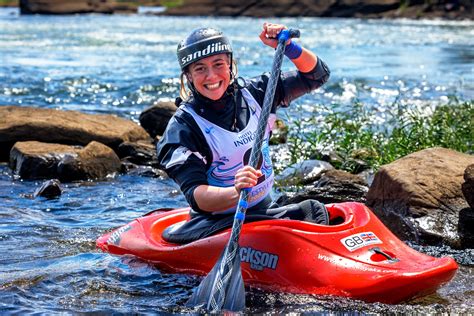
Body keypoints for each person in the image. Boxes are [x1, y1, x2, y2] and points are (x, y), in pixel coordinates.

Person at [157, 22, 331, 244]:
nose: (211, 76)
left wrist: (289, 48)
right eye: (200, 68)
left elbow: (317, 76)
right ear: (189, 76)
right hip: (217, 224)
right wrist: (235, 191)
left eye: (218, 64)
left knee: (314, 211)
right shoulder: (183, 128)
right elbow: (196, 195)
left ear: (230, 64)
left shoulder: (258, 93)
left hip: (264, 208)